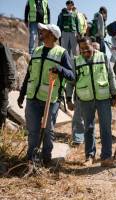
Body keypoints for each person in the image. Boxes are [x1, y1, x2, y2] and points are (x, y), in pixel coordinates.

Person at [17, 23, 75, 165]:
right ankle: (31, 158)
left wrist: (59, 68)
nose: (41, 32)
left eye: (44, 31)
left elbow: (72, 75)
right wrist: (22, 94)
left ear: (52, 35)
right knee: (33, 131)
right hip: (32, 98)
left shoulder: (61, 53)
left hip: (51, 99)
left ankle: (46, 158)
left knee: (48, 131)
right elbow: (29, 74)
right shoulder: (36, 51)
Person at [71, 37, 116, 167]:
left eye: (87, 47)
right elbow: (71, 81)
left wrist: (114, 93)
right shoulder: (76, 61)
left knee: (106, 128)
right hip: (85, 99)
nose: (85, 50)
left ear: (92, 45)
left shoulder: (103, 57)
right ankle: (89, 156)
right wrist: (69, 97)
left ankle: (106, 157)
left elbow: (111, 75)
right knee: (88, 128)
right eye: (82, 48)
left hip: (103, 98)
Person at [0, 40, 16, 128]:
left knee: (2, 109)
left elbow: (8, 62)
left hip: (2, 84)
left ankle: (1, 129)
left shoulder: (2, 45)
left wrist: (11, 81)